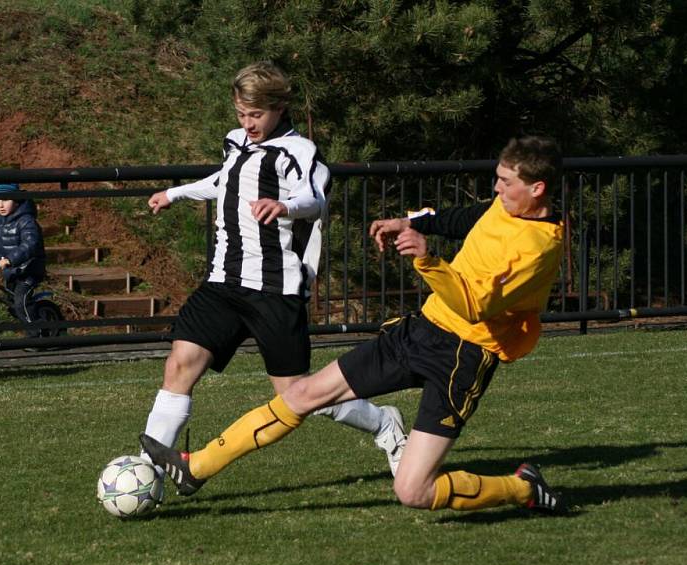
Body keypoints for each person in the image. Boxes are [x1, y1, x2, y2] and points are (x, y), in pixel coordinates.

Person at [142, 135, 569, 515]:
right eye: (496, 178)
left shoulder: (536, 249)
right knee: (303, 392)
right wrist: (411, 222)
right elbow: (471, 217)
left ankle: (521, 488)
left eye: (505, 183)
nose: (496, 188)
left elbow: (474, 304)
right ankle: (194, 467)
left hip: (462, 358)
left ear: (537, 188)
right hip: (421, 330)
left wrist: (427, 258)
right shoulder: (507, 207)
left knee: (413, 491)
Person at [141, 61, 407, 478]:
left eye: (255, 115)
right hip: (223, 280)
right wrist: (174, 194)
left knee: (297, 393)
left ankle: (384, 421)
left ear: (279, 108)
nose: (247, 123)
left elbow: (314, 198)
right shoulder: (237, 142)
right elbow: (226, 180)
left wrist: (285, 206)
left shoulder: (300, 151)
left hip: (273, 286)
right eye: (241, 114)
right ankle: (149, 471)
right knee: (180, 364)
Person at [0, 183, 45, 329]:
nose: (0, 205)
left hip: (29, 270)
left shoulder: (26, 221)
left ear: (16, 201)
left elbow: (30, 244)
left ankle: (38, 335)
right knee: (12, 305)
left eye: (6, 200)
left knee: (21, 303)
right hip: (13, 271)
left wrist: (10, 259)